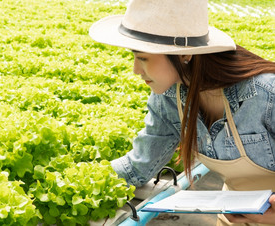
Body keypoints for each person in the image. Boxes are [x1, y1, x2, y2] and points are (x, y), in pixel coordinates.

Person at [89, 0, 275, 225]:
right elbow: (139, 165)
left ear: (184, 55)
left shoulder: (266, 94)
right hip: (234, 218)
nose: (135, 70)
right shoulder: (168, 98)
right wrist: (85, 182)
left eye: (143, 57)